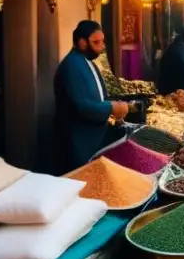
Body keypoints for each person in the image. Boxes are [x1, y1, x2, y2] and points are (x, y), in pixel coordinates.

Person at [54, 21, 129, 175]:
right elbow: (83, 106)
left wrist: (112, 107)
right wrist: (112, 107)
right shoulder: (72, 65)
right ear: (82, 42)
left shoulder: (86, 62)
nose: (102, 46)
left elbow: (99, 96)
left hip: (95, 137)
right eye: (96, 42)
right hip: (79, 142)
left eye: (102, 41)